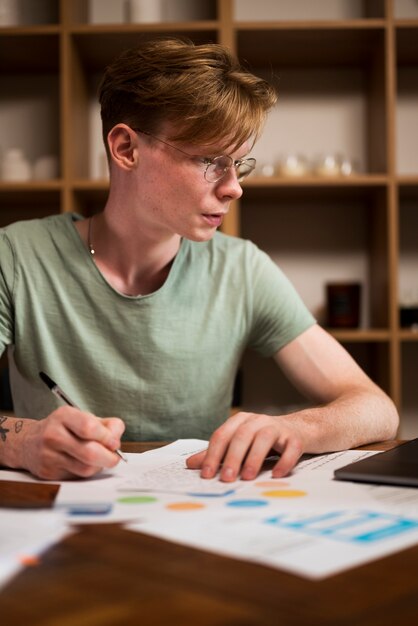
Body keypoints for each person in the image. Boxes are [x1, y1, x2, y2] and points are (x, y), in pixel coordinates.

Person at [0, 37, 398, 481]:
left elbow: (375, 408)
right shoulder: (16, 256)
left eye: (239, 165)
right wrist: (22, 440)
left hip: (198, 512)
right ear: (127, 148)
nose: (234, 188)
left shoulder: (240, 269)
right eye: (212, 160)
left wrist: (296, 427)